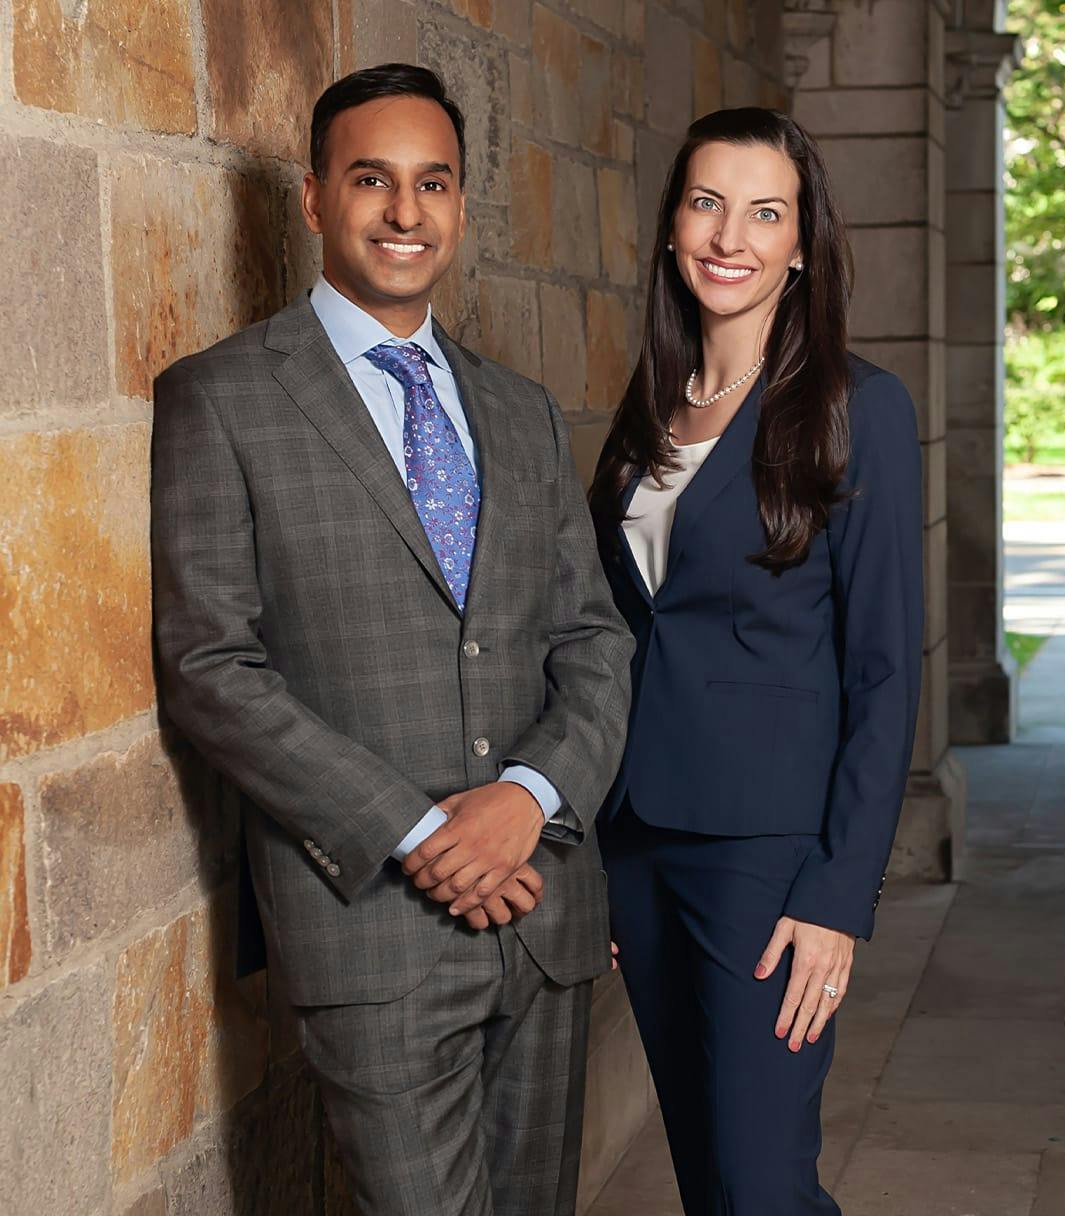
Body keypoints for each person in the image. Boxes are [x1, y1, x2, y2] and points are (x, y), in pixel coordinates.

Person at [151, 64, 633, 1216]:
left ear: (462, 205)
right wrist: (417, 831)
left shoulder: (517, 409)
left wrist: (526, 796)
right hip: (369, 929)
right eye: (372, 180)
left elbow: (594, 638)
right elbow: (210, 663)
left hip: (545, 910)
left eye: (433, 184)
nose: (405, 212)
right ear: (315, 199)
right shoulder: (221, 399)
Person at [588, 108, 924, 1214]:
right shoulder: (649, 412)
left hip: (768, 858)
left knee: (761, 1179)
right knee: (705, 1175)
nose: (729, 235)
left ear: (797, 244)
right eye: (705, 202)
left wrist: (838, 896)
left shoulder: (856, 409)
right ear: (673, 227)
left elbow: (882, 672)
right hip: (637, 843)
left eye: (763, 211)